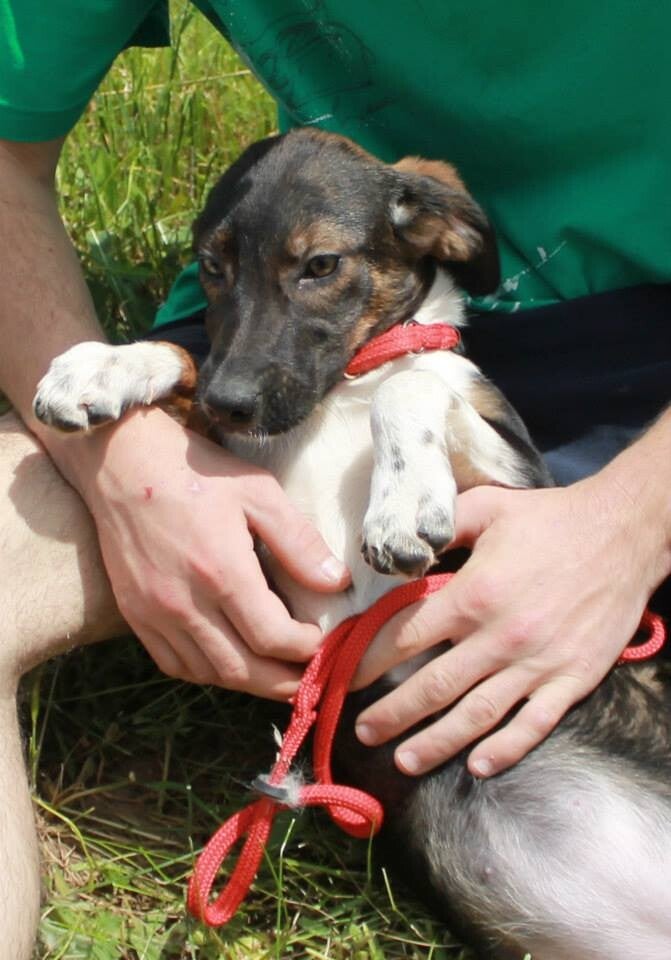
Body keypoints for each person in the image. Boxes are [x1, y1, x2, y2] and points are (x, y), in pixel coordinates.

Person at [1, 2, 670, 956]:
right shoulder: (264, 323)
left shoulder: (431, 375)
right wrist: (122, 466)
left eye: (315, 268)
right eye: (220, 271)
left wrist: (632, 520)